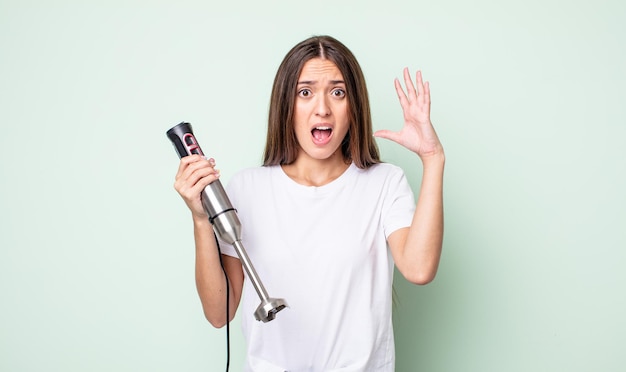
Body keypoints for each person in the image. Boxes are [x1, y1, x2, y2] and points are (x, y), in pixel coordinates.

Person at [173, 35, 444, 371]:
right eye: (305, 92)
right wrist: (201, 220)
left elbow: (419, 269)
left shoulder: (384, 183)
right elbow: (219, 313)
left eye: (338, 91)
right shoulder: (246, 188)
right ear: (286, 104)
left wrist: (433, 158)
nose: (322, 108)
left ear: (353, 106)